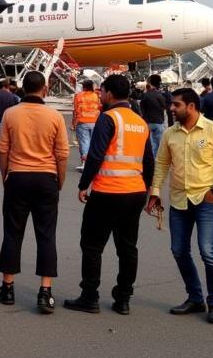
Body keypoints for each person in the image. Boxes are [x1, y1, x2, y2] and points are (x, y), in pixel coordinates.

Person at [64, 73, 154, 316]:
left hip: (108, 191)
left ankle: (89, 296)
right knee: (127, 247)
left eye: (102, 92)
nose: (100, 95)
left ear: (110, 94)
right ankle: (123, 298)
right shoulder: (139, 121)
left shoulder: (108, 118)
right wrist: (146, 189)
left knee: (92, 245)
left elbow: (96, 155)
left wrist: (84, 184)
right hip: (134, 192)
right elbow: (148, 161)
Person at [147, 88, 213, 324]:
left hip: (204, 199)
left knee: (208, 252)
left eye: (176, 105)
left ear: (191, 106)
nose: (171, 108)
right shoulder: (170, 133)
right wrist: (155, 192)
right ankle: (195, 297)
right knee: (178, 250)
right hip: (178, 200)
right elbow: (162, 164)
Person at [0, 71, 69, 314]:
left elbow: (2, 149)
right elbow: (62, 153)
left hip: (18, 176)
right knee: (46, 235)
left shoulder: (11, 114)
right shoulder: (54, 116)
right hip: (46, 177)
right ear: (45, 90)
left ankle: (7, 287)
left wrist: (6, 176)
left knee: (12, 233)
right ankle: (45, 291)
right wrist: (59, 180)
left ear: (22, 89)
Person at [71, 79, 101, 170]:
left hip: (82, 121)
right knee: (92, 142)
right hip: (94, 121)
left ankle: (85, 163)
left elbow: (75, 110)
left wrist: (73, 123)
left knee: (84, 142)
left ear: (83, 87)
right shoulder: (96, 95)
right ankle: (93, 163)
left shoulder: (79, 96)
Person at [139, 74, 168, 157]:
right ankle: (158, 162)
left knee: (151, 145)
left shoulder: (145, 95)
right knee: (160, 145)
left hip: (148, 122)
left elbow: (142, 108)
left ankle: (152, 162)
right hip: (159, 122)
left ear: (150, 82)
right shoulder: (160, 95)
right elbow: (164, 107)